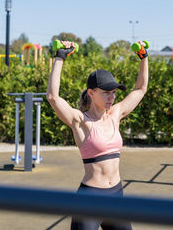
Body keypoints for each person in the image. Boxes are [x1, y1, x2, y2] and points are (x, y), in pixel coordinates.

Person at [46, 40, 149, 230]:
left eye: (114, 93)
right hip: (90, 200)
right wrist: (60, 57)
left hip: (116, 195)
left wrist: (143, 57)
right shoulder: (80, 121)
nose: (112, 97)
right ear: (91, 93)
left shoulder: (115, 115)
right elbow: (53, 97)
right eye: (106, 93)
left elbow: (140, 89)